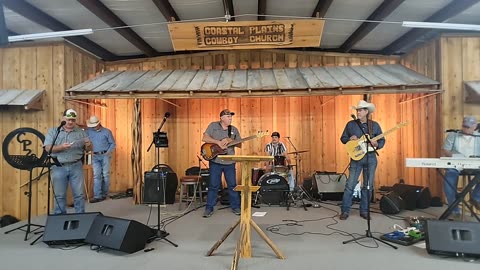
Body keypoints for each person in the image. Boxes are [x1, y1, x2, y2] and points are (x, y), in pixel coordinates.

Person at [339, 100, 385, 220]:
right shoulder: (350, 124)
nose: (358, 112)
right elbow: (343, 138)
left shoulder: (374, 125)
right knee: (350, 185)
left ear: (366, 112)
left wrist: (376, 144)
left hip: (370, 158)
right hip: (356, 158)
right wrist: (349, 138)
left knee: (368, 186)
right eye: (357, 110)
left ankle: (364, 210)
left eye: (360, 110)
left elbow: (382, 140)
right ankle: (345, 210)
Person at [43, 109, 92, 214]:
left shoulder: (81, 132)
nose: (70, 122)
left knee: (79, 194)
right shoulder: (53, 131)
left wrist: (88, 145)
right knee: (59, 195)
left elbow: (89, 149)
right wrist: (61, 147)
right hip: (58, 166)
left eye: (73, 120)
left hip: (76, 165)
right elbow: (47, 148)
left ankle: (81, 217)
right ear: (63, 119)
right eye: (68, 119)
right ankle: (60, 219)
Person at [202, 109, 241, 218]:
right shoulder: (213, 126)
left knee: (232, 185)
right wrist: (218, 142)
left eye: (231, 117)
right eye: (228, 116)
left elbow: (240, 144)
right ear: (222, 118)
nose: (230, 118)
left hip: (229, 162)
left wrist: (230, 140)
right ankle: (209, 208)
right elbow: (204, 138)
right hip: (216, 161)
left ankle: (236, 207)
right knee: (213, 185)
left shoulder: (233, 130)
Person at [442, 116, 480, 218]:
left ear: (475, 126)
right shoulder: (453, 135)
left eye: (469, 127)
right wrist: (454, 156)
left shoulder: (479, 137)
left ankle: (476, 197)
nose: (466, 129)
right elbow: (446, 150)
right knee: (449, 179)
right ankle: (454, 209)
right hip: (456, 164)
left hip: (475, 166)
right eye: (464, 126)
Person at [86, 115, 116, 203]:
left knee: (105, 175)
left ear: (99, 123)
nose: (94, 127)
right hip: (95, 156)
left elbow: (112, 144)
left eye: (95, 125)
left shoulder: (107, 132)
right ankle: (97, 196)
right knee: (97, 175)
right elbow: (83, 136)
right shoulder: (88, 132)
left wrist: (108, 152)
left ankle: (104, 194)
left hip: (105, 155)